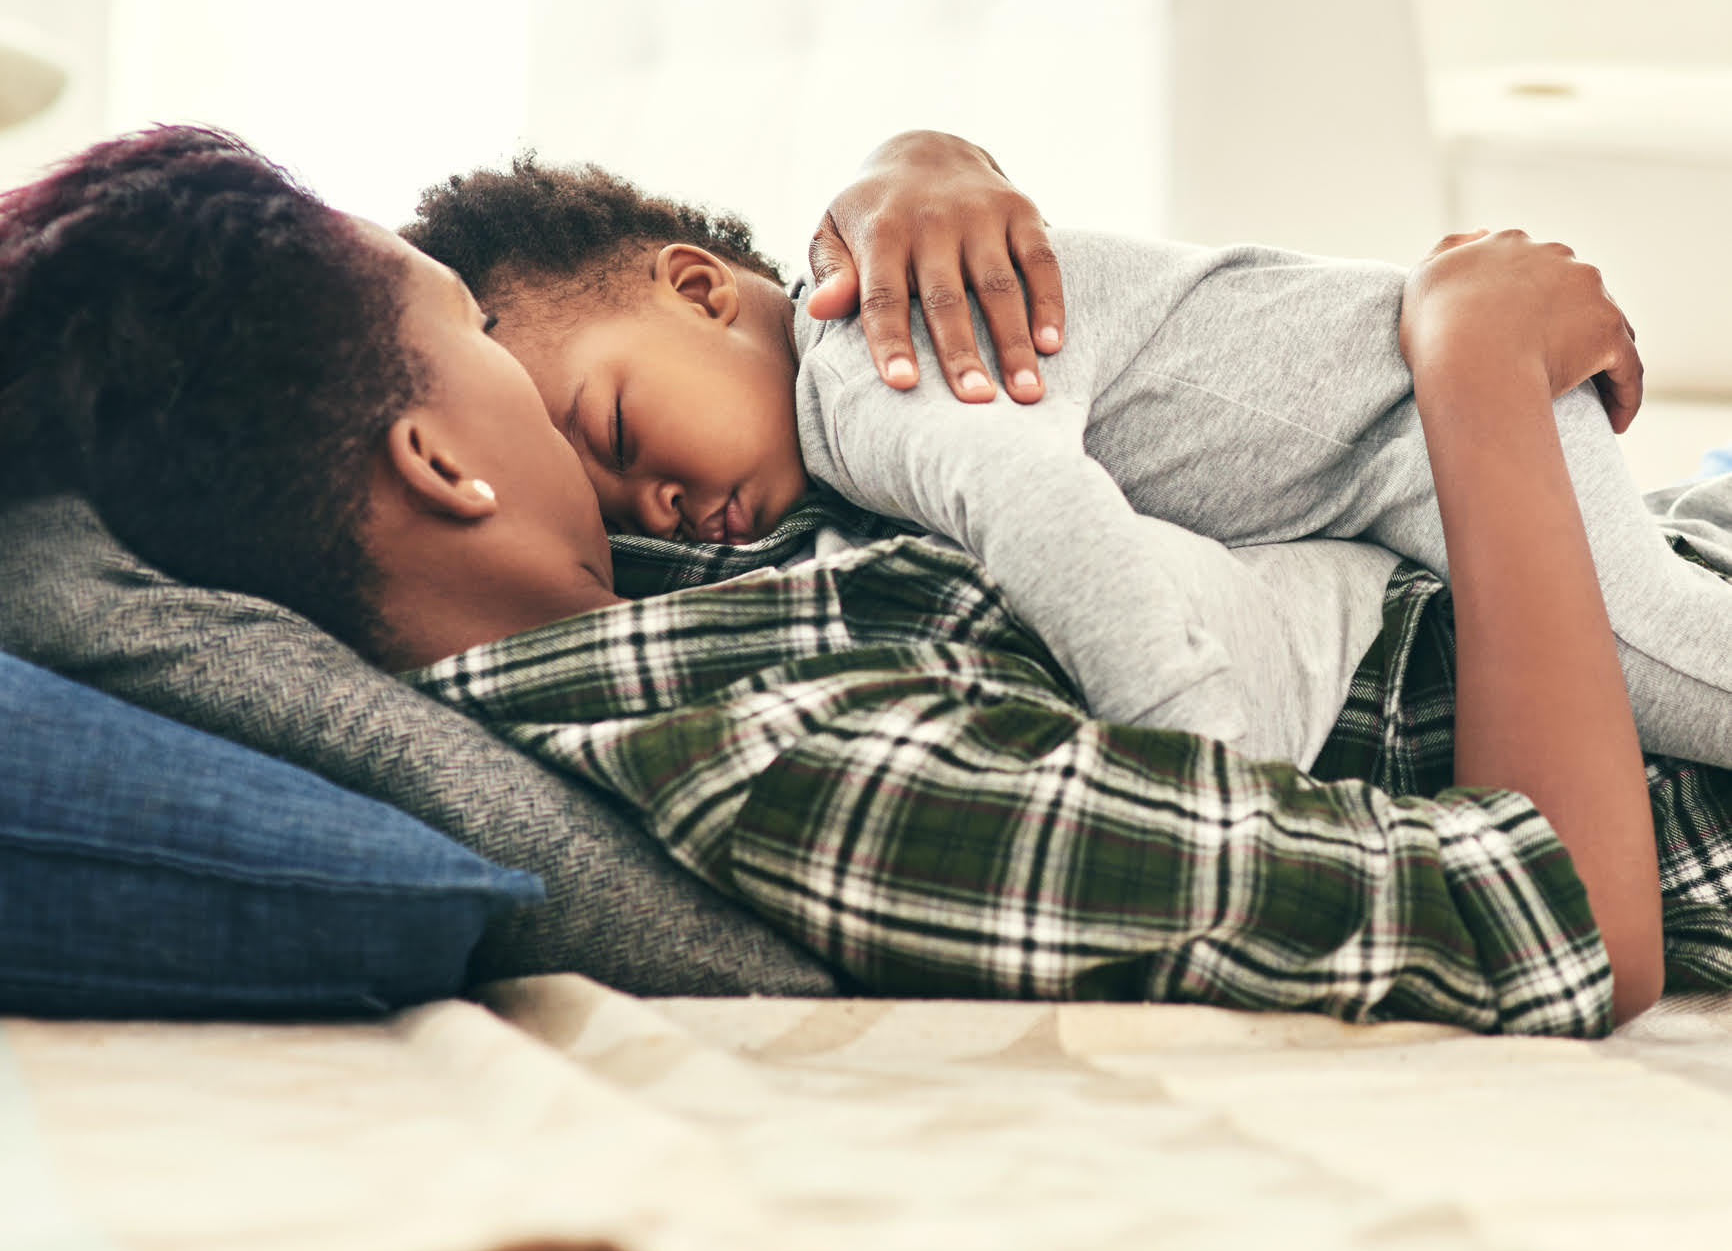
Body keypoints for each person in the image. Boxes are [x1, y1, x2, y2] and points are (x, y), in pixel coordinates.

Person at [0, 124, 1688, 1031]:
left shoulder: (653, 562)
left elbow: (744, 331)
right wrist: (1475, 377)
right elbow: (1547, 923)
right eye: (472, 342)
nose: (600, 447)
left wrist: (910, 175)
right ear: (440, 460)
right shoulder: (776, 760)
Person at [403, 148, 1732, 776]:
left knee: (1677, 672)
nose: (669, 512)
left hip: (1433, 420)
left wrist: (1201, 753)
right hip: (1393, 463)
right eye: (626, 506)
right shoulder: (835, 401)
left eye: (626, 437)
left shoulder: (870, 373)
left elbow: (1046, 509)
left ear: (697, 288)